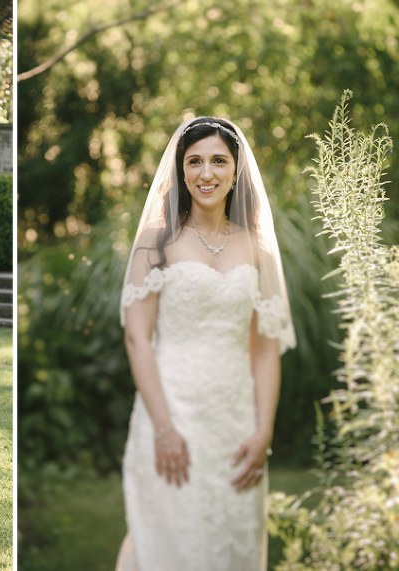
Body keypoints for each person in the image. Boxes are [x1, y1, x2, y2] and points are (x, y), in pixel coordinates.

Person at [116, 117, 296, 570]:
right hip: (171, 410)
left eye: (219, 161)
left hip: (236, 422)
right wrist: (163, 428)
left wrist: (263, 431)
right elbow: (137, 338)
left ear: (236, 170)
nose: (206, 173)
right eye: (194, 162)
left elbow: (265, 349)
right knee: (168, 539)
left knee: (234, 540)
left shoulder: (257, 249)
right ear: (180, 172)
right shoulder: (156, 243)